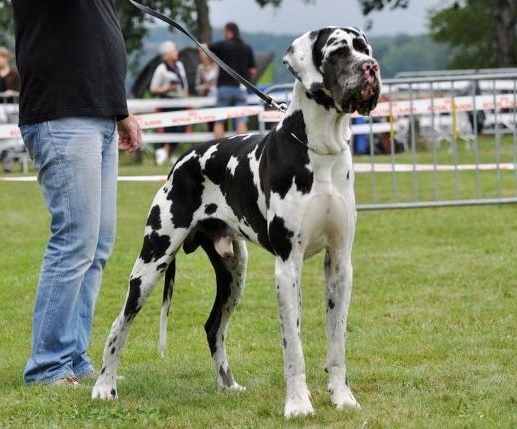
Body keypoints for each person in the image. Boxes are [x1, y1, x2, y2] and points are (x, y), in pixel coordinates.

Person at [12, 0, 142, 387]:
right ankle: (47, 365)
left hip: (98, 113)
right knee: (75, 241)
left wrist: (121, 111)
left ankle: (72, 356)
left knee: (98, 243)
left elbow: (93, 42)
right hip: (61, 113)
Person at [208, 22, 257, 139]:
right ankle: (242, 149)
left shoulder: (222, 45)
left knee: (219, 121)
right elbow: (253, 70)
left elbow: (206, 49)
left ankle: (218, 149)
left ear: (229, 32)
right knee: (241, 120)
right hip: (241, 88)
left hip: (224, 87)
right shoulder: (247, 47)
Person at [150, 41, 189, 165]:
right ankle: (168, 153)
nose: (176, 52)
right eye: (174, 50)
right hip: (168, 101)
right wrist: (167, 88)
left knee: (181, 127)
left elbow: (185, 82)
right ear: (167, 54)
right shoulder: (161, 69)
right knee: (171, 128)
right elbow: (153, 88)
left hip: (180, 101)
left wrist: (186, 97)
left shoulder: (180, 65)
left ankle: (166, 152)